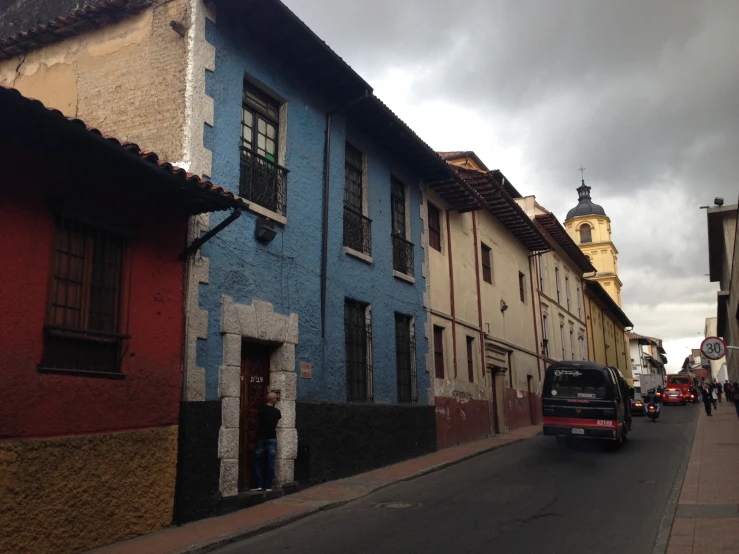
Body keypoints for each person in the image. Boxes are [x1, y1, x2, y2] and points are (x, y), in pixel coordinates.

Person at [252, 391, 281, 492]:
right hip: (272, 438)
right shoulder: (277, 412)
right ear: (273, 400)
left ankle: (259, 484)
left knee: (257, 461)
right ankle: (268, 486)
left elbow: (257, 421)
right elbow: (276, 424)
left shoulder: (261, 410)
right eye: (276, 398)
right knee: (271, 462)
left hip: (260, 437)